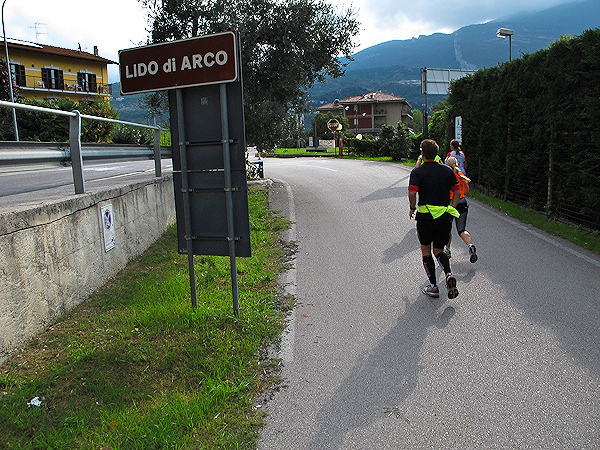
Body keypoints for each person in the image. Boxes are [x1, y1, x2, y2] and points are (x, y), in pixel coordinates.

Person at [409, 139, 461, 299]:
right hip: (444, 217)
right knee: (439, 250)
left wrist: (412, 207)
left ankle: (433, 287)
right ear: (436, 153)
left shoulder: (417, 172)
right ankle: (449, 274)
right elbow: (457, 192)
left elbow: (412, 192)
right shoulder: (447, 171)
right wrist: (451, 208)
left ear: (422, 153)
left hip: (425, 217)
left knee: (426, 250)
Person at [443, 156, 478, 263]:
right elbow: (466, 190)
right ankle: (470, 245)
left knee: (447, 228)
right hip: (462, 202)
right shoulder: (461, 174)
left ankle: (447, 250)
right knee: (462, 230)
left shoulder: (446, 176)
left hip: (451, 203)